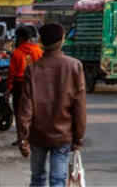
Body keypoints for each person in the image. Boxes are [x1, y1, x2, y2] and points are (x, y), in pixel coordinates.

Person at [17, 23, 86, 187]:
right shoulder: (74, 66)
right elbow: (79, 106)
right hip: (63, 134)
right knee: (57, 180)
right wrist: (78, 137)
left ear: (41, 41)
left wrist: (23, 138)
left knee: (37, 179)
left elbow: (25, 108)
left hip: (37, 134)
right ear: (62, 40)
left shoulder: (32, 69)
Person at [8, 27, 43, 145]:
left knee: (19, 112)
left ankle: (21, 138)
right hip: (36, 84)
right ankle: (33, 137)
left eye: (18, 37)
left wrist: (9, 88)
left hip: (20, 85)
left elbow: (11, 73)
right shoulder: (38, 51)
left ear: (22, 38)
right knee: (34, 111)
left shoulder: (17, 53)